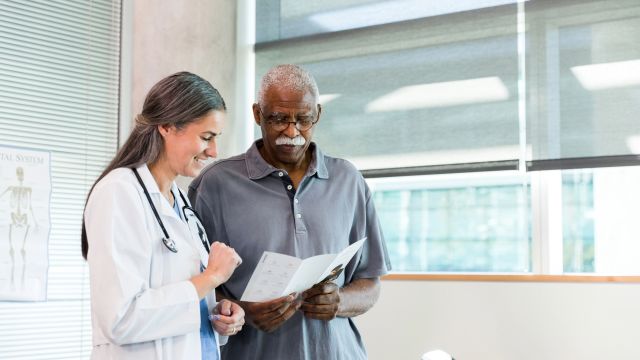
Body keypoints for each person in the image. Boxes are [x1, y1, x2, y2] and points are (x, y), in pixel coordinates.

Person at [189, 64, 391, 359]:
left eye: (303, 120)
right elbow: (190, 286)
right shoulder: (214, 185)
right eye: (279, 119)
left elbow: (370, 283)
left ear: (317, 115)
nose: (292, 131)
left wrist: (340, 301)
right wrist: (243, 312)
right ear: (258, 114)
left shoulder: (348, 180)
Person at [81, 72, 245, 359]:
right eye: (206, 137)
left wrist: (215, 315)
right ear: (167, 126)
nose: (214, 151)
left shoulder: (179, 200)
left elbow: (179, 301)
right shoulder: (119, 192)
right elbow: (121, 319)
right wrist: (212, 277)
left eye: (216, 138)